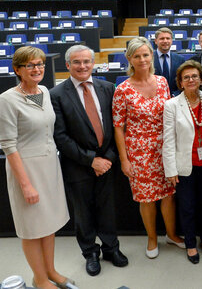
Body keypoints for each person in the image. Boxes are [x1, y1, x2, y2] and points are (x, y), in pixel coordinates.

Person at [51, 45, 128, 276]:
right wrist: (91, 160)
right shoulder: (56, 94)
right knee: (83, 213)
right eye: (76, 62)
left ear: (93, 63)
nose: (82, 66)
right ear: (68, 65)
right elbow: (60, 137)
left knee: (107, 209)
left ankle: (111, 248)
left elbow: (117, 127)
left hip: (107, 162)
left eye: (86, 61)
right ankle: (90, 253)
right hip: (78, 165)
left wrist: (109, 158)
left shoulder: (108, 88)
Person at [0, 46, 73, 289]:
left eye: (40, 64)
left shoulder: (43, 91)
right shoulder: (7, 99)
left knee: (49, 224)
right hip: (26, 171)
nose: (37, 69)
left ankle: (50, 270)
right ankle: (40, 279)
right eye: (30, 65)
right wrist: (26, 184)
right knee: (32, 228)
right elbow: (9, 145)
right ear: (17, 69)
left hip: (49, 165)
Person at [113, 37, 184, 260]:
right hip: (139, 152)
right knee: (147, 198)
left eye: (145, 54)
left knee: (169, 195)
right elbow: (118, 127)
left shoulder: (163, 82)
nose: (142, 59)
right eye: (137, 56)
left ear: (152, 56)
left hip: (165, 148)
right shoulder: (122, 89)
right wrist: (124, 160)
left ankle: (171, 235)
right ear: (129, 59)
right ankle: (152, 238)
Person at [162, 60, 202, 265]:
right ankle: (191, 243)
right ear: (180, 82)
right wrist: (170, 169)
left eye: (195, 76)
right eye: (186, 77)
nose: (191, 80)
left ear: (201, 79)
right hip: (185, 165)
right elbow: (168, 139)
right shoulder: (172, 105)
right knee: (187, 207)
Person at [153, 27, 186, 96]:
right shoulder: (149, 59)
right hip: (154, 98)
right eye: (162, 38)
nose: (165, 41)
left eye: (168, 38)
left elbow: (183, 81)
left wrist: (174, 95)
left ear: (172, 41)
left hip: (175, 99)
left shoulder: (180, 59)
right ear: (156, 41)